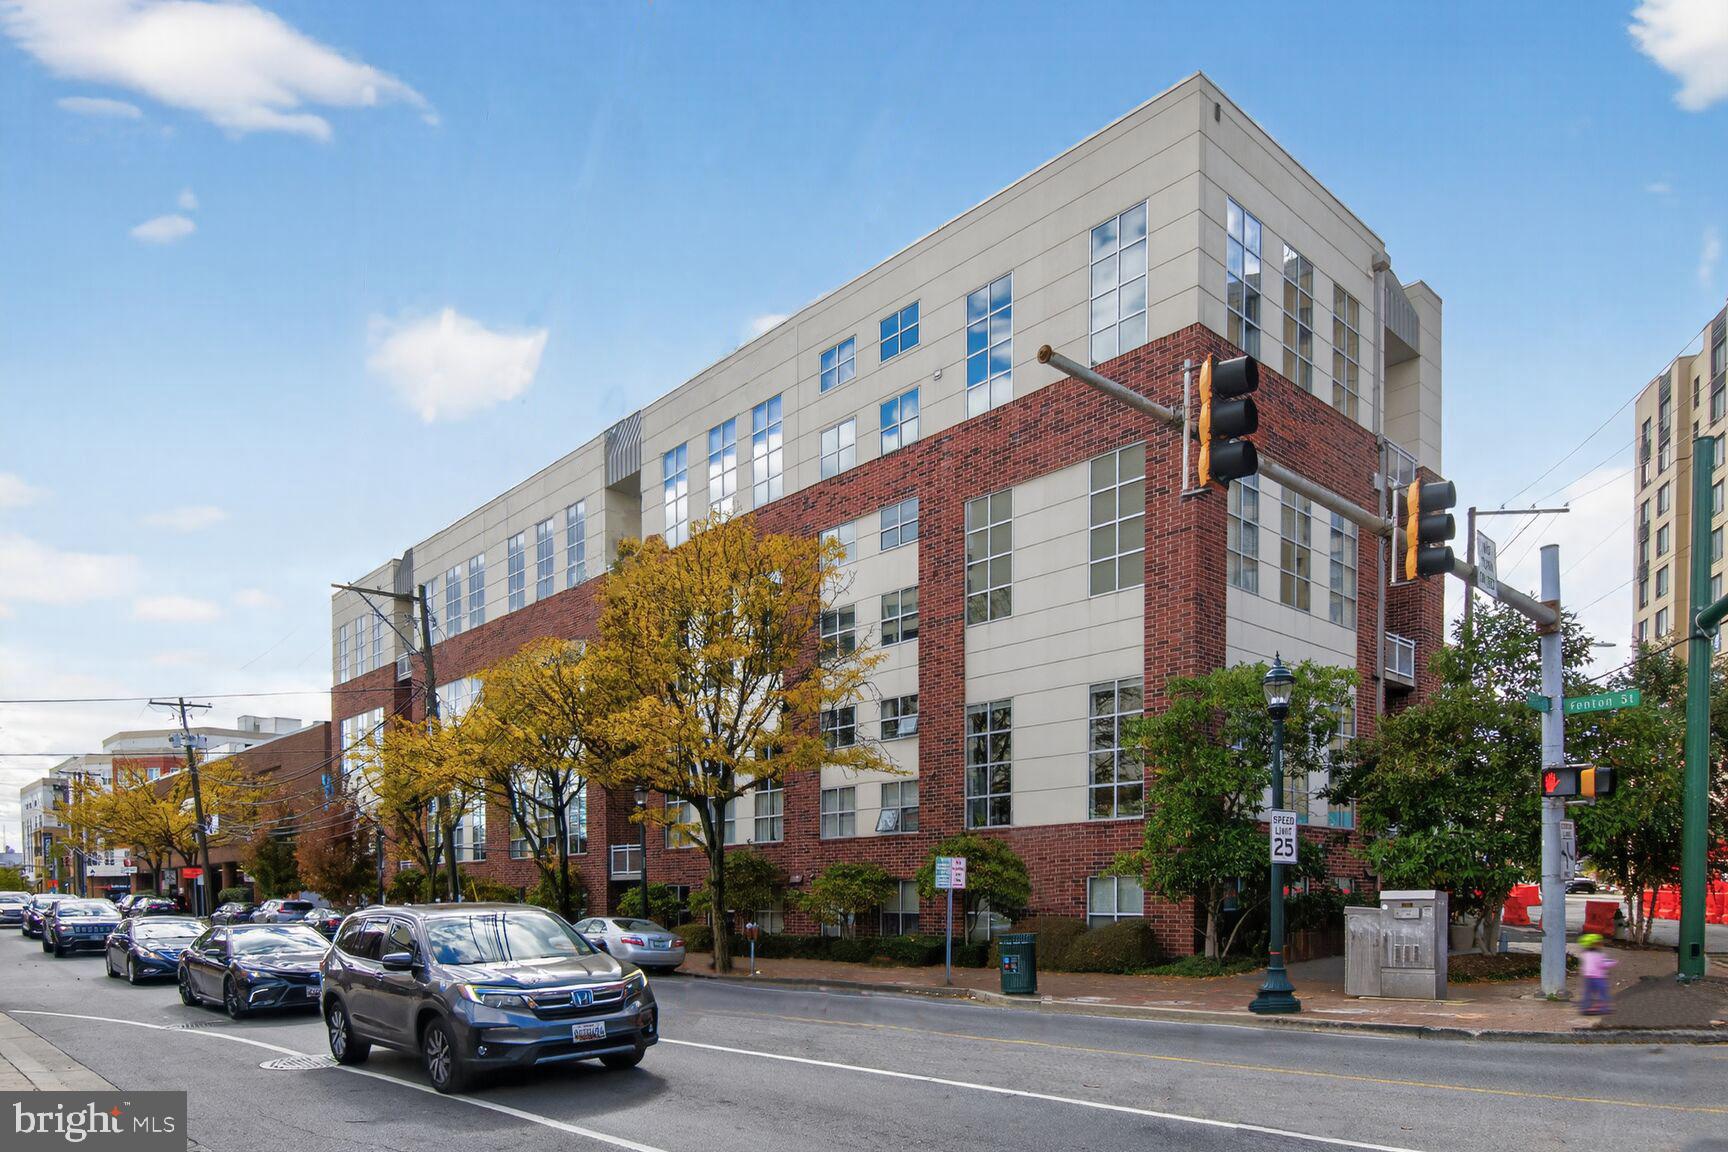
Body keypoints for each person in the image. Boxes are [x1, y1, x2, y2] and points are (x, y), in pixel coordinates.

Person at [1577, 933, 1617, 1016]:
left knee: (1587, 993)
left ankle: (1585, 1008)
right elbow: (1602, 965)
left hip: (1588, 977)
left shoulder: (1585, 954)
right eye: (1599, 943)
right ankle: (1604, 1008)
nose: (1601, 944)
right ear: (1594, 944)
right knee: (1603, 992)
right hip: (1599, 978)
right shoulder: (1599, 955)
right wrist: (1613, 963)